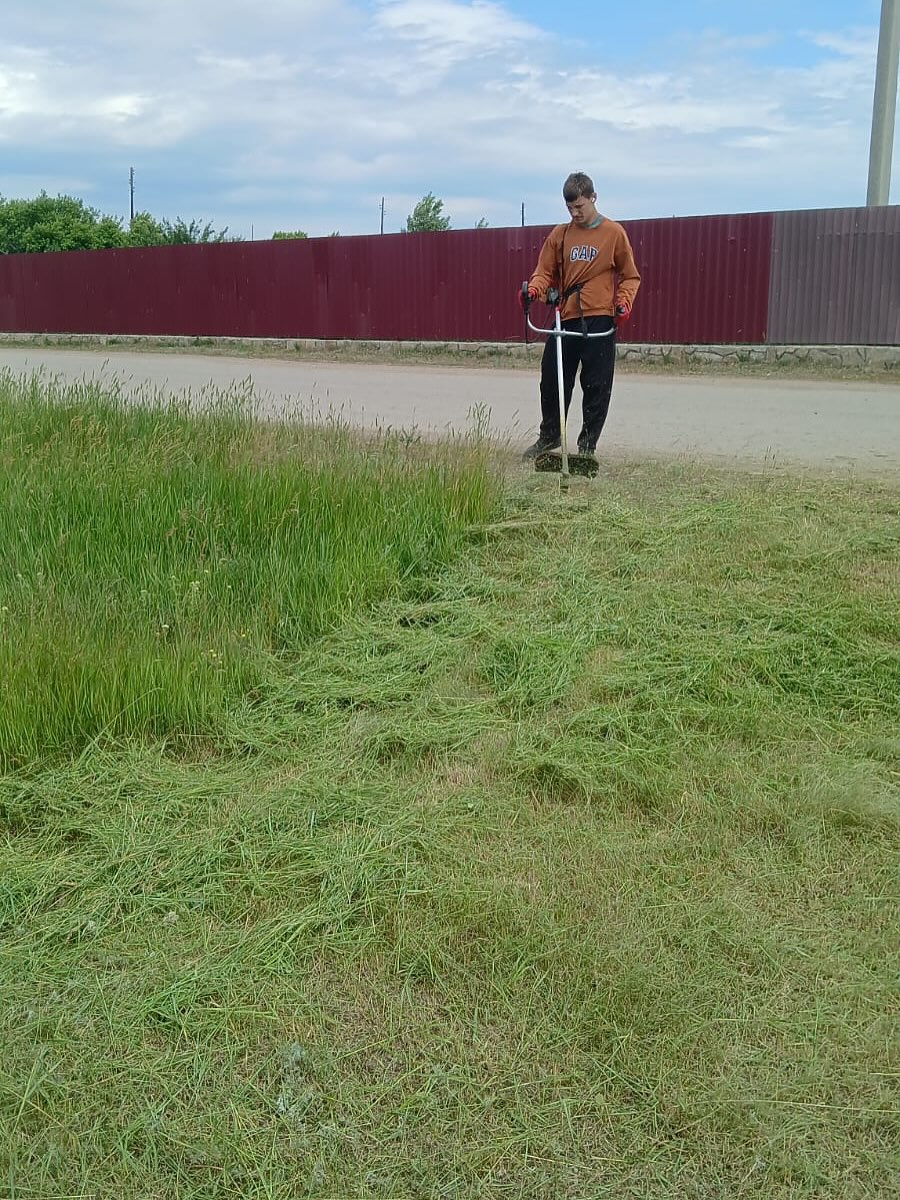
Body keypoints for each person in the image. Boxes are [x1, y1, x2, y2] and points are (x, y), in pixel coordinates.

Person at [520, 172, 641, 460]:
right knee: (552, 379)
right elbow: (544, 271)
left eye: (579, 207)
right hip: (566, 317)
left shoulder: (614, 233)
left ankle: (587, 447)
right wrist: (534, 290)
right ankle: (550, 436)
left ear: (593, 198)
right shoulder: (560, 235)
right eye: (570, 208)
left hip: (599, 319)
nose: (575, 213)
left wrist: (623, 304)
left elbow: (630, 276)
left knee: (597, 385)